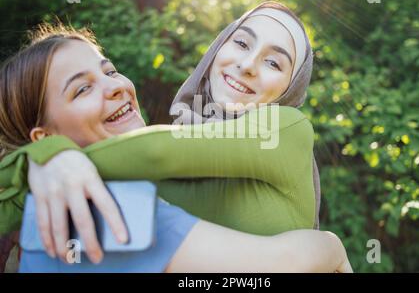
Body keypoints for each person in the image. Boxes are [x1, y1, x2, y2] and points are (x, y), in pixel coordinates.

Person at [0, 23, 352, 272]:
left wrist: (44, 159)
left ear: (294, 85)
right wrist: (331, 246)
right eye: (82, 89)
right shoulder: (109, 207)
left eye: (110, 71)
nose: (116, 87)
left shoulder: (286, 127)